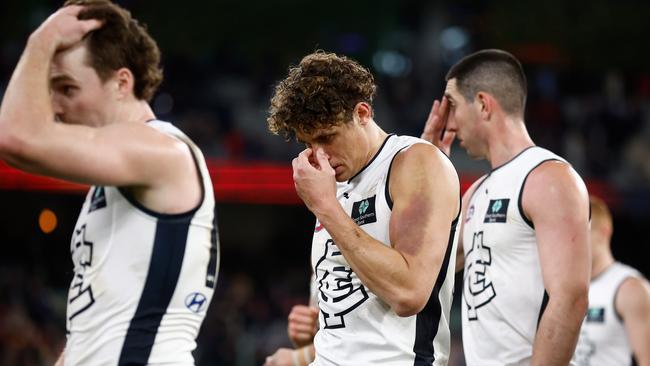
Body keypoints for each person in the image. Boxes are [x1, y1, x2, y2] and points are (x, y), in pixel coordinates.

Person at [0, 1, 219, 364]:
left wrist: (42, 40)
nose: (54, 106)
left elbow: (15, 137)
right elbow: (95, 327)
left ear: (121, 82)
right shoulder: (115, 182)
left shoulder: (162, 150)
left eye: (67, 88)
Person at [265, 50, 461, 366]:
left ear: (362, 113)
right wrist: (305, 345)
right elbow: (349, 319)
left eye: (327, 138)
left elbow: (409, 293)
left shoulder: (415, 163)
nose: (319, 156)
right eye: (307, 144)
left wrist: (326, 207)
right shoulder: (334, 183)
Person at [421, 49, 591, 365]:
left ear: (484, 105)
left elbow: (571, 298)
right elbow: (426, 268)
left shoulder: (549, 178)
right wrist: (424, 170)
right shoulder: (478, 192)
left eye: (454, 106)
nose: (449, 122)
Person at [574, 196, 650, 366]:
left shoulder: (629, 288)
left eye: (582, 231)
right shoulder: (560, 287)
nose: (574, 240)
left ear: (604, 232)